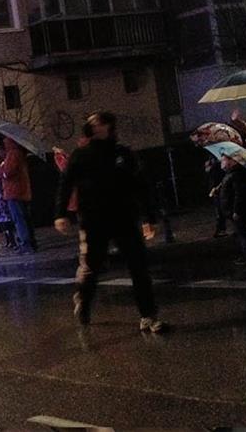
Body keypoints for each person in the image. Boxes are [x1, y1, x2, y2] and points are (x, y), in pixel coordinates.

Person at [55, 111, 166, 333]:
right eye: (92, 122)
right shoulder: (81, 155)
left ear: (108, 127)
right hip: (94, 220)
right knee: (93, 267)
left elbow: (139, 185)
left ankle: (148, 315)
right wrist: (61, 214)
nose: (93, 125)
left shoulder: (122, 154)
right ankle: (84, 301)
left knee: (138, 266)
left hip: (124, 217)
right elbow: (66, 184)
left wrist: (148, 217)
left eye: (98, 122)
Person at [214, 153, 246, 266]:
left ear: (232, 161)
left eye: (224, 160)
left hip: (238, 211)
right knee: (240, 233)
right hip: (231, 210)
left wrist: (237, 210)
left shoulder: (237, 174)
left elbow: (240, 194)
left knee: (243, 234)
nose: (222, 162)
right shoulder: (230, 174)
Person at [0, 137, 36, 253]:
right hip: (20, 190)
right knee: (24, 217)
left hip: (14, 191)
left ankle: (25, 244)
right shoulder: (17, 153)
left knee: (19, 218)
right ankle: (30, 242)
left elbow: (7, 172)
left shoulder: (13, 154)